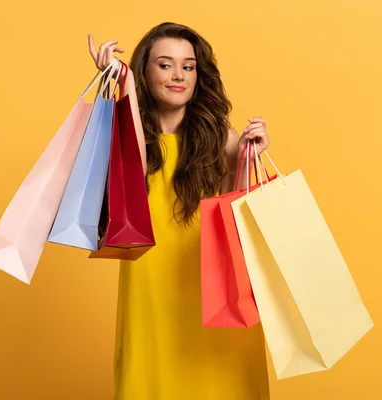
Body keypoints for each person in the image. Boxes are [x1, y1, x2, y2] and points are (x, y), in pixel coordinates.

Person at [87, 22, 272, 400]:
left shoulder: (220, 136)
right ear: (145, 72)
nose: (178, 76)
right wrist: (121, 90)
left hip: (215, 293)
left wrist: (251, 155)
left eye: (188, 67)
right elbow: (130, 172)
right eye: (165, 65)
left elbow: (234, 210)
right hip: (152, 294)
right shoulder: (125, 131)